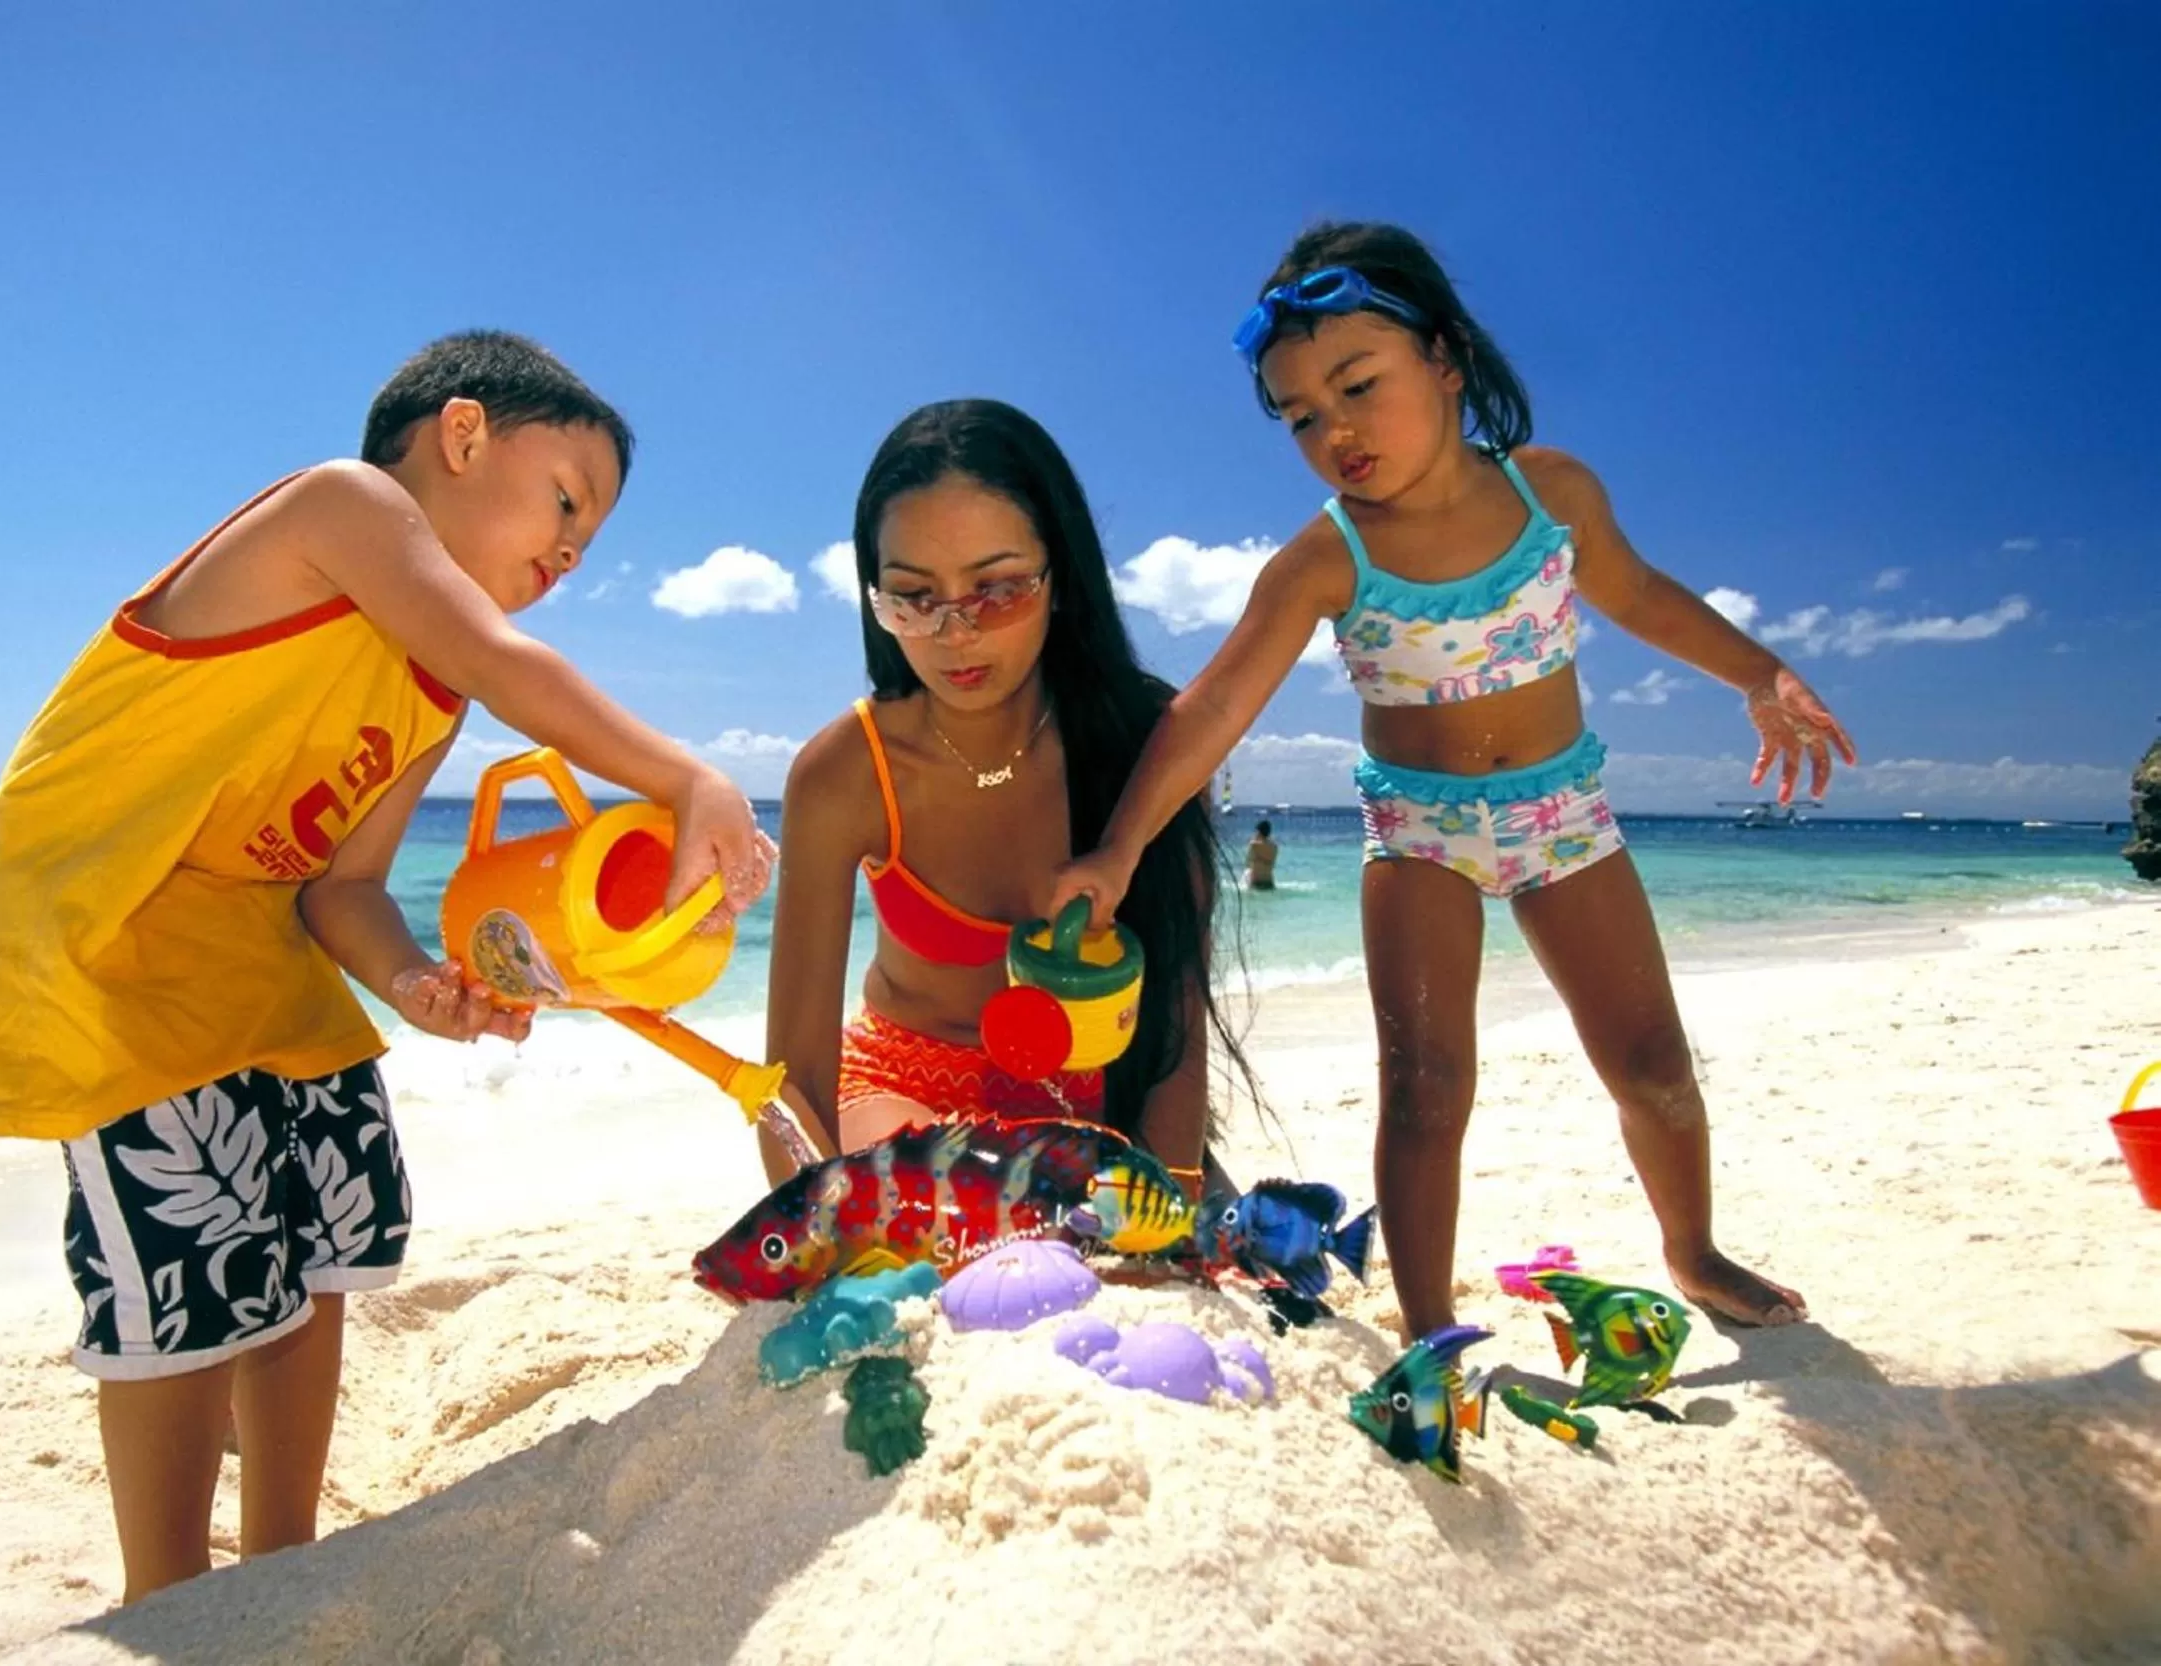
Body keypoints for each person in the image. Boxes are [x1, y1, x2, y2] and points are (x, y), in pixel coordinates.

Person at [0, 331, 774, 1603]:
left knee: (324, 1229)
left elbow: (343, 885)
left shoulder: (428, 687)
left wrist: (418, 981)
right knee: (192, 1271)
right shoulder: (343, 507)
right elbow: (507, 663)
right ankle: (169, 1595)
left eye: (589, 541)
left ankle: (281, 1559)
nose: (571, 554)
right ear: (463, 435)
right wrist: (689, 776)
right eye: (566, 502)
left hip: (254, 938)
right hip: (115, 931)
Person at [1048, 223, 1856, 1338]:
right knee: (1425, 1086)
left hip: (1563, 814)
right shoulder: (1326, 559)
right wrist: (1120, 846)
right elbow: (1215, 708)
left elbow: (1639, 594)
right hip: (1418, 831)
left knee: (1652, 1063)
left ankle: (1695, 1250)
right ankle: (1428, 1328)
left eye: (1357, 386)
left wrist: (1758, 674)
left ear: (1444, 357)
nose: (1335, 431)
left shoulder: (1551, 493)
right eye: (1300, 416)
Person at [764, 399, 1250, 1198]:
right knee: (946, 1217)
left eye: (996, 588)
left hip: (1099, 1107)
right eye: (912, 596)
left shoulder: (1149, 746)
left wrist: (1170, 1200)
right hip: (902, 1097)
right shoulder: (845, 773)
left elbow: (1174, 1028)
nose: (955, 632)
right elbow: (796, 1080)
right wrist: (820, 1228)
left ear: (1060, 580)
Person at [1245, 819, 1280, 890]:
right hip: (1269, 883)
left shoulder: (1253, 845)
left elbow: (1247, 862)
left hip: (1256, 882)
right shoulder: (1275, 846)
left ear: (1259, 832)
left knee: (1246, 872)